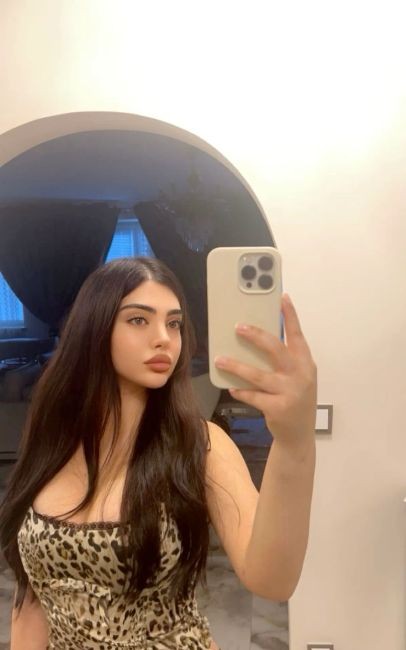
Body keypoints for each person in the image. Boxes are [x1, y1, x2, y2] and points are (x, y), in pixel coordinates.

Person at [0, 256, 317, 650]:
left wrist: (294, 443)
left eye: (174, 323)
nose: (164, 338)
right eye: (139, 320)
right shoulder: (53, 441)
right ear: (94, 329)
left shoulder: (199, 445)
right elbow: (31, 596)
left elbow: (271, 579)